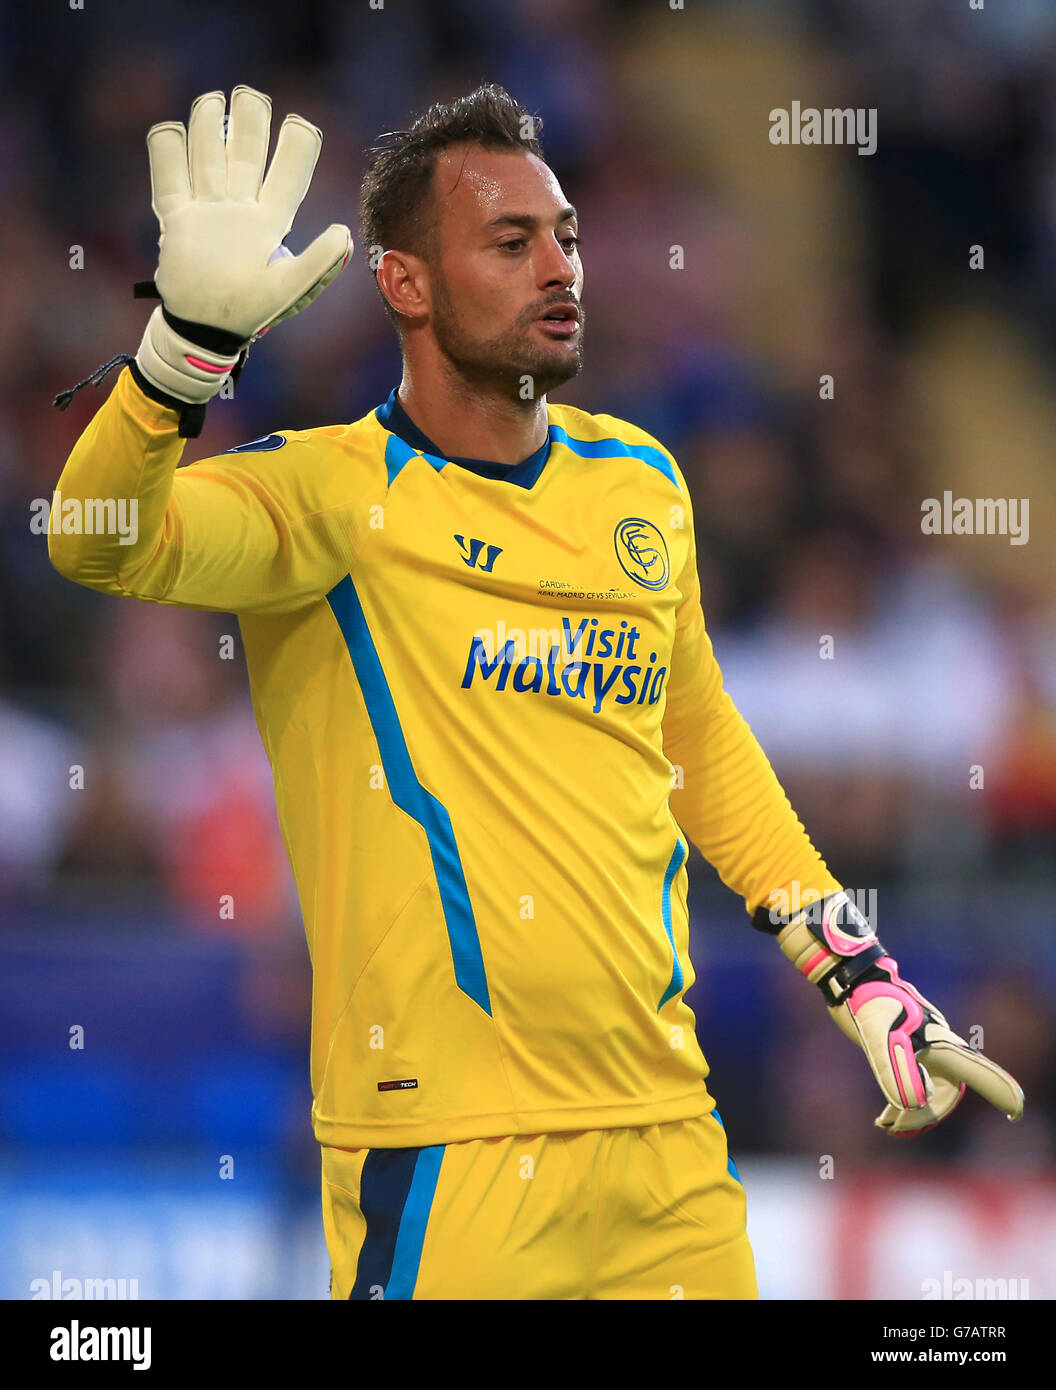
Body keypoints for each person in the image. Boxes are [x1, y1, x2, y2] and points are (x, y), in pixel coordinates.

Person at [49, 83, 1023, 1300]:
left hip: (668, 1140)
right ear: (407, 284)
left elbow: (701, 749)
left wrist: (856, 973)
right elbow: (94, 537)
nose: (559, 265)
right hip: (452, 1150)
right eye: (510, 243)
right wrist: (179, 355)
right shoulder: (329, 496)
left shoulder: (639, 482)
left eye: (564, 234)